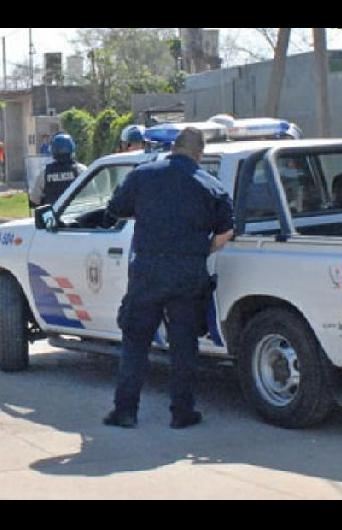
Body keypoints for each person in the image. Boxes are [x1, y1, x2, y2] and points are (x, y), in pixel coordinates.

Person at [102, 127, 234, 429]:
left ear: (173, 148)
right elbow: (226, 230)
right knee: (184, 345)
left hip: (148, 271)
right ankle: (182, 413)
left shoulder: (143, 174)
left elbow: (115, 209)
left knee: (135, 342)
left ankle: (125, 412)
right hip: (188, 275)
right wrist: (203, 248)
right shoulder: (210, 185)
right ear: (200, 154)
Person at [29, 133, 87, 207]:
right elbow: (93, 194)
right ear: (72, 149)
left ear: (53, 151)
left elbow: (34, 199)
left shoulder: (45, 173)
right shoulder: (81, 170)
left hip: (54, 216)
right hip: (77, 215)